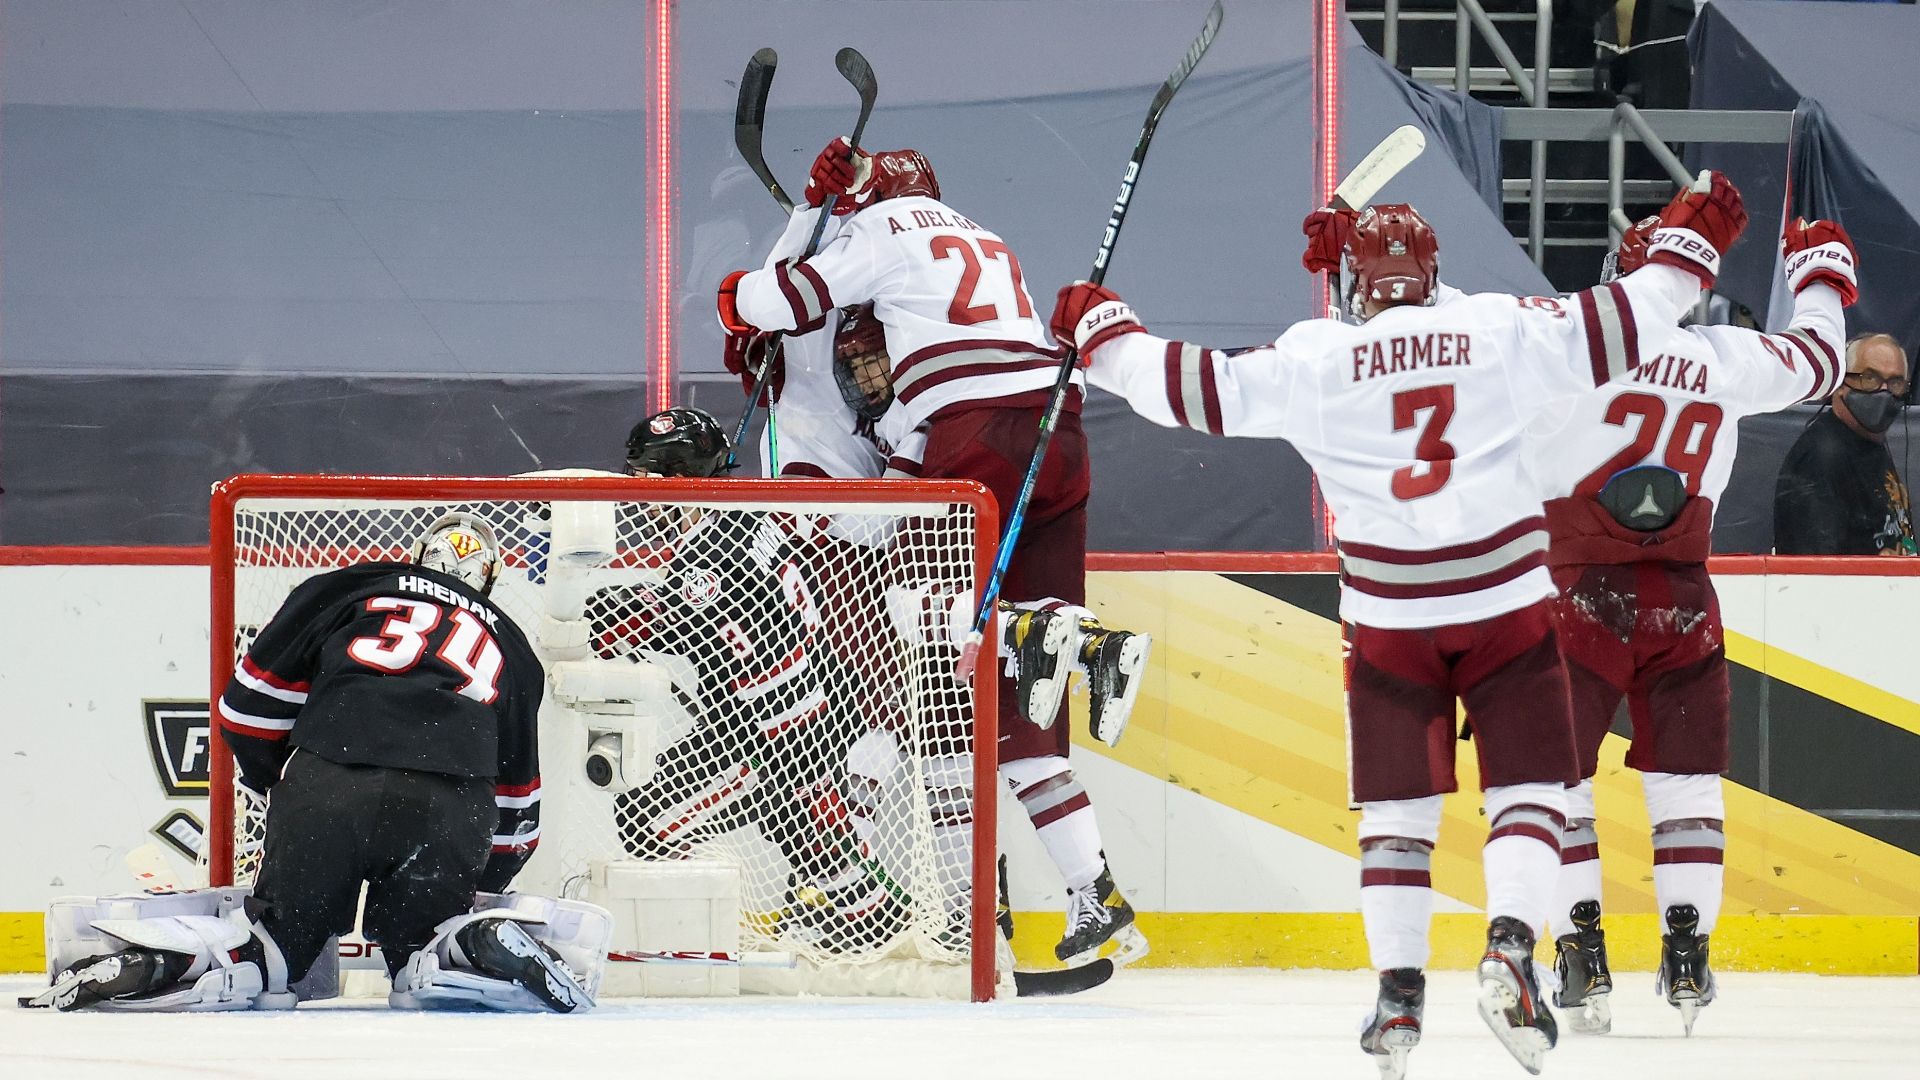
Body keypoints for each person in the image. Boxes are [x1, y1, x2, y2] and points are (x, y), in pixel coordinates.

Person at [1050, 173, 1746, 1077]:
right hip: (1504, 607)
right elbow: (1638, 315)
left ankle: (1398, 1000)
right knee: (1531, 794)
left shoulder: (1314, 359)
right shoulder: (1499, 329)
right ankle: (1508, 948)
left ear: (1354, 288)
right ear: (1432, 274)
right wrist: (1690, 245)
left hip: (1389, 620)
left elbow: (1188, 389)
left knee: (1397, 816)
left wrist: (1102, 329)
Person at [717, 141, 1147, 966]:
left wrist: (741, 296)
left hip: (970, 433)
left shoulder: (880, 242)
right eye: (858, 358)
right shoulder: (986, 239)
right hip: (1057, 422)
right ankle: (1065, 893)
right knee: (1007, 723)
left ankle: (938, 901)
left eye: (874, 353)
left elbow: (781, 298)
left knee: (919, 620)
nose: (869, 366)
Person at [33, 515, 600, 1013]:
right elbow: (516, 806)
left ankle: (179, 956)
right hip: (452, 802)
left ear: (419, 557)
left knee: (275, 952)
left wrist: (281, 784)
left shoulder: (353, 585)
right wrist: (476, 889)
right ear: (491, 581)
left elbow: (244, 709)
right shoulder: (514, 648)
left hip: (330, 774)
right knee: (422, 949)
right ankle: (463, 944)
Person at [1521, 214, 1853, 1036]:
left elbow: (1451, 334)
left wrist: (1371, 288)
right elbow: (1820, 360)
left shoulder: (1560, 341)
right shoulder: (1722, 357)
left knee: (1558, 790)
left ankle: (1581, 949)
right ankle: (1686, 953)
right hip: (1683, 595)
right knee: (1688, 789)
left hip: (1576, 597)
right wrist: (1820, 271)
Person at [1773, 332, 1915, 555]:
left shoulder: (1869, 442)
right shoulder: (1819, 459)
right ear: (1840, 383)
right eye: (1869, 379)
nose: (1883, 391)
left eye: (1895, 382)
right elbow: (1815, 571)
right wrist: (1873, 572)